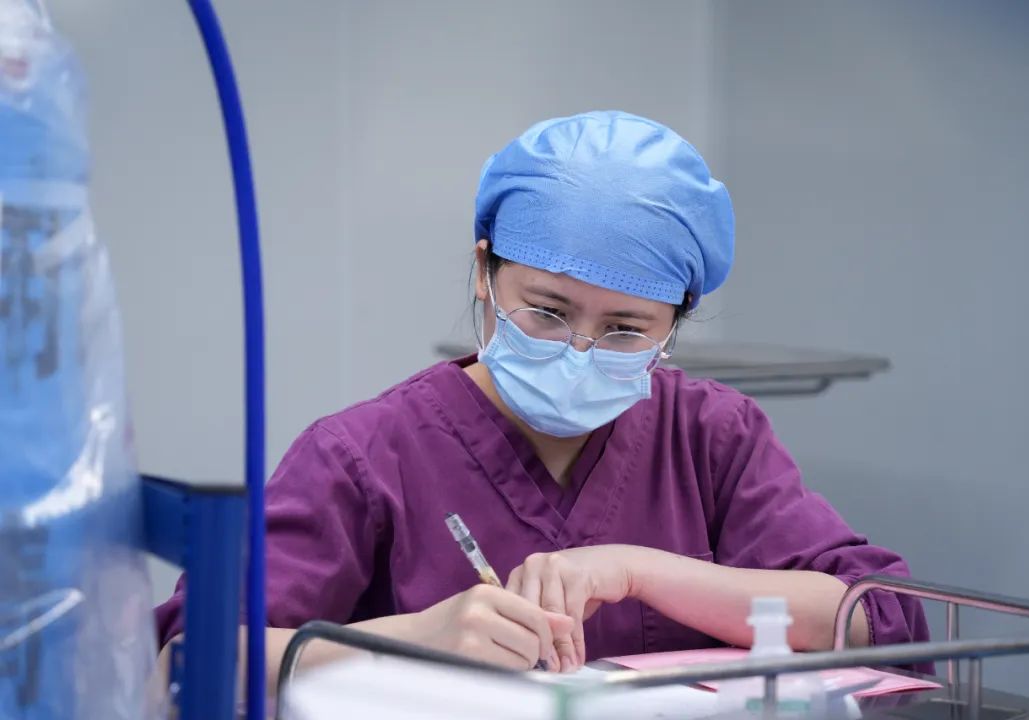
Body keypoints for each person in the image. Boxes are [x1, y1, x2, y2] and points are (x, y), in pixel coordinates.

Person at [155, 110, 929, 684]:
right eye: (547, 312)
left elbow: (882, 618)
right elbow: (189, 659)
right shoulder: (366, 455)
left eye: (625, 329)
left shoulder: (710, 436)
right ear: (484, 271)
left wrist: (640, 571)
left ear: (675, 322)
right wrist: (414, 639)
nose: (577, 350)